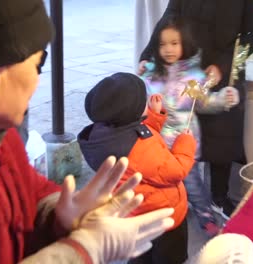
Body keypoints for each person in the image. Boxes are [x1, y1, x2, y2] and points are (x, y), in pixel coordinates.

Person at [0, 0, 175, 263]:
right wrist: (83, 250)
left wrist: (59, 211)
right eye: (38, 64)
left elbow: (28, 186)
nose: (38, 82)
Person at [138, 0, 253, 216]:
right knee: (181, 135)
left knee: (221, 136)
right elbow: (168, 18)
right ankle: (182, 195)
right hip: (186, 67)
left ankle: (218, 198)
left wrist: (224, 67)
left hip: (225, 69)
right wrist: (148, 55)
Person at [77, 72, 196, 264]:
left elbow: (139, 139)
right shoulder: (141, 149)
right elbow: (176, 170)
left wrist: (154, 116)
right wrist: (185, 143)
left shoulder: (107, 136)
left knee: (140, 256)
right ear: (131, 112)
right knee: (169, 258)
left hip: (134, 214)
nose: (146, 100)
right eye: (143, 100)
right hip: (163, 216)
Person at [140, 16, 240, 236]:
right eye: (163, 44)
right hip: (157, 144)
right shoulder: (150, 74)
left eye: (174, 43)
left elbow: (205, 103)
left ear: (184, 43)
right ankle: (168, 213)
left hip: (185, 143)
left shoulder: (194, 77)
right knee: (160, 183)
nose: (168, 49)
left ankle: (206, 218)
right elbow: (142, 104)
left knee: (193, 183)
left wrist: (224, 99)